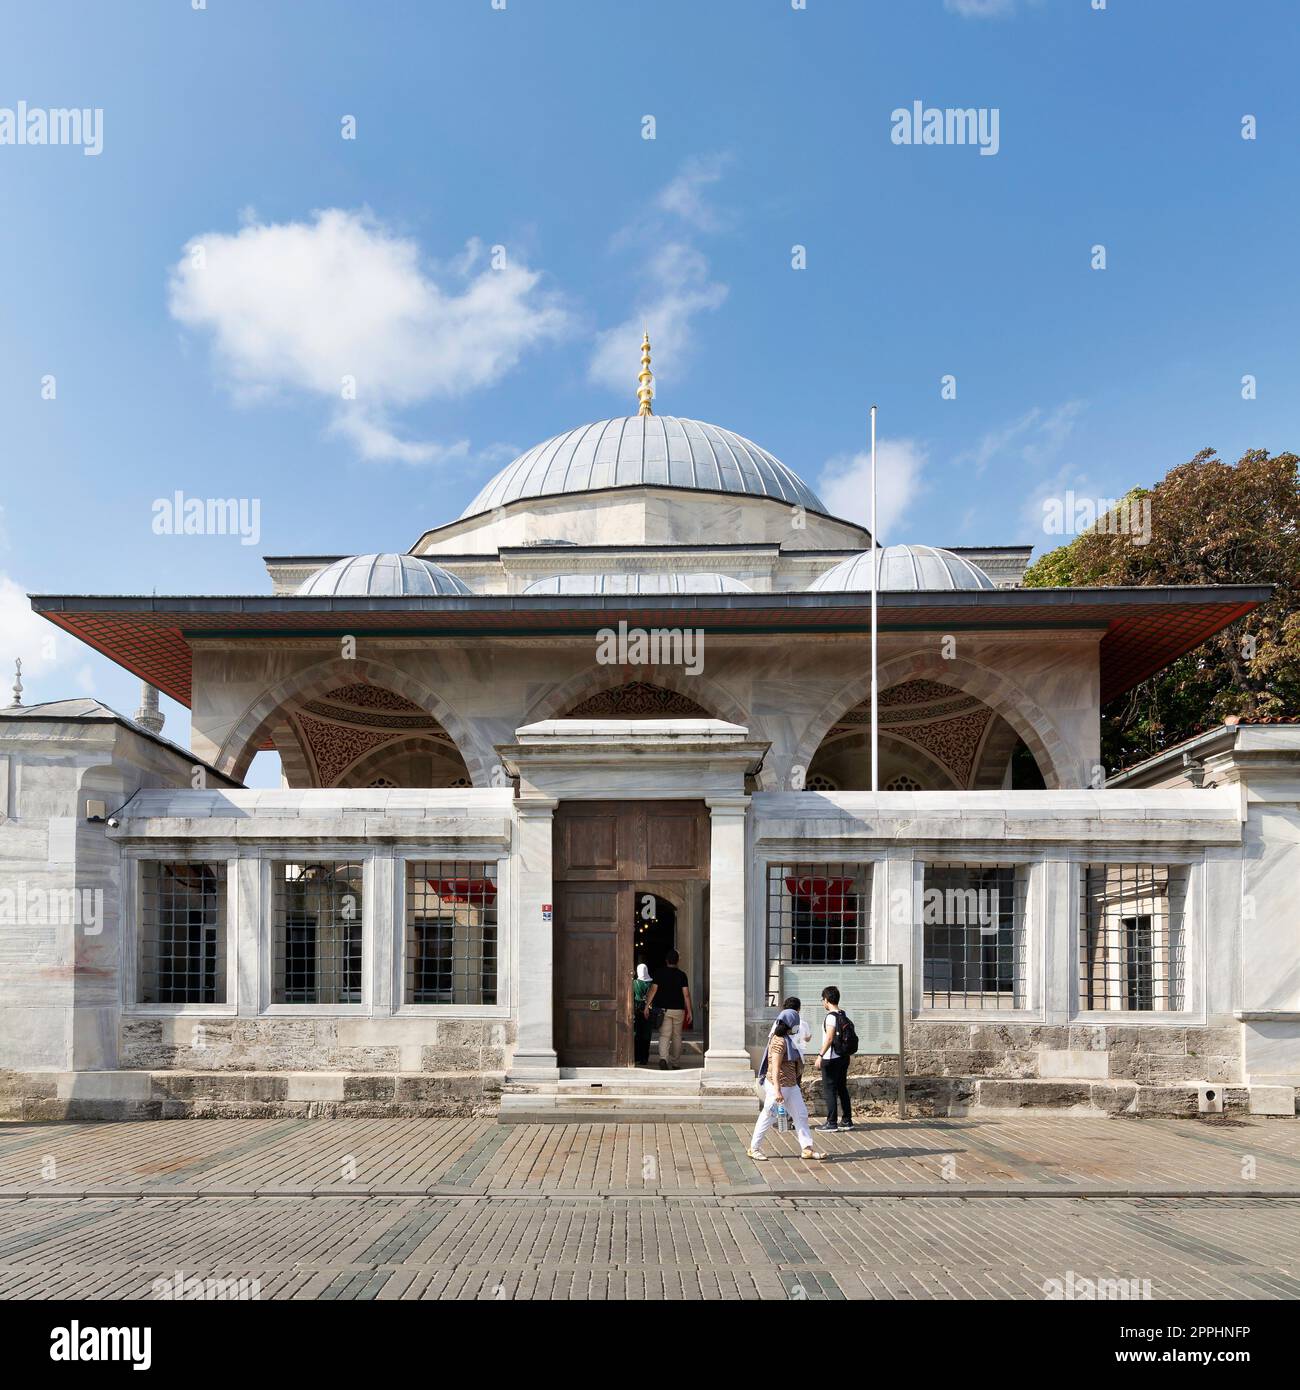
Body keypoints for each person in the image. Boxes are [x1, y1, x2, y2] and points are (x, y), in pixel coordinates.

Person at [748, 1007, 825, 1162]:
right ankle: (753, 1148)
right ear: (790, 1024)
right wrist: (777, 1091)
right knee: (769, 1116)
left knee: (801, 1114)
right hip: (780, 1086)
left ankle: (807, 1148)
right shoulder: (779, 1041)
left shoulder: (788, 1039)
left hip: (790, 1085)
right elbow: (775, 1067)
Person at [813, 984, 853, 1132]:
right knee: (842, 1087)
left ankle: (831, 1123)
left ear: (827, 1000)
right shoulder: (843, 1014)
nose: (823, 1002)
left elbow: (829, 1038)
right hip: (843, 1057)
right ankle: (847, 1120)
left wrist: (820, 1056)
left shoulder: (831, 1017)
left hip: (831, 1058)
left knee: (829, 1090)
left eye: (823, 999)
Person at [644, 949, 692, 1070]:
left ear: (666, 961)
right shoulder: (682, 975)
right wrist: (689, 1011)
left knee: (664, 1036)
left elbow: (653, 990)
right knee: (677, 1036)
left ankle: (663, 1059)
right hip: (678, 1010)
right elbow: (686, 994)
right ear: (678, 961)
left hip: (663, 1010)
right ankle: (675, 1063)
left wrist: (647, 1006)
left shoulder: (659, 973)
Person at [632, 964, 653, 1065]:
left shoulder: (634, 983)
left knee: (637, 1033)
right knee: (647, 1034)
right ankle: (645, 1058)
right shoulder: (652, 983)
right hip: (648, 1011)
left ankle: (637, 1056)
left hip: (637, 1011)